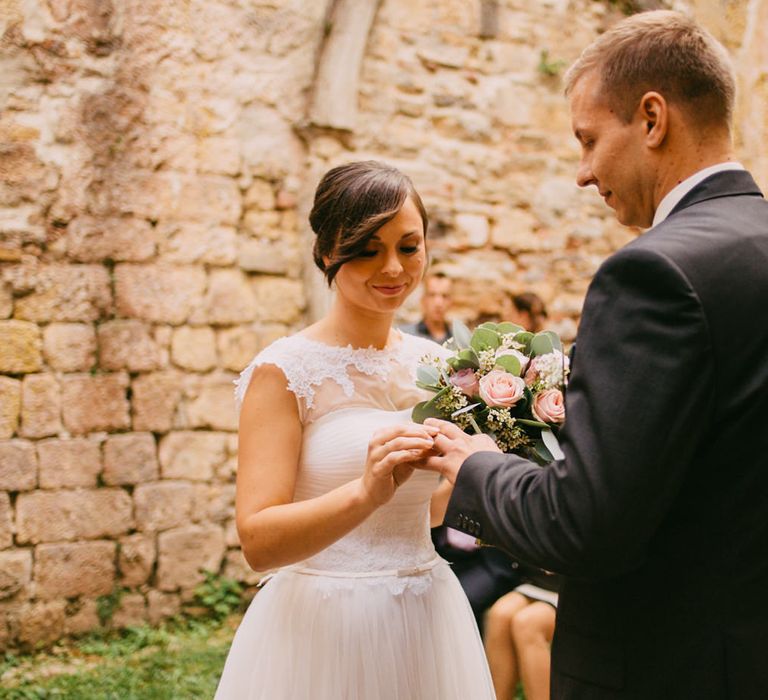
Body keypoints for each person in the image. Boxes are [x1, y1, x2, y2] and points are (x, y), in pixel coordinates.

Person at [421, 11, 768, 699]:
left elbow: (585, 523)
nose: (582, 174)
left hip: (663, 665)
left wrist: (473, 470)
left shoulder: (652, 274)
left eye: (588, 141)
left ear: (651, 118)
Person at [215, 161, 495, 699]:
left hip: (428, 613)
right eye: (367, 249)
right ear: (326, 253)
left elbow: (426, 511)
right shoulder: (284, 372)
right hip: (326, 626)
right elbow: (258, 543)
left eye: (408, 247)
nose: (392, 267)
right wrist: (365, 492)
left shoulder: (441, 366)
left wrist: (475, 475)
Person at [400, 271, 452, 343]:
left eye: (444, 296)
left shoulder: (459, 341)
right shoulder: (404, 337)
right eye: (432, 295)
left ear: (451, 301)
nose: (439, 303)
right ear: (423, 300)